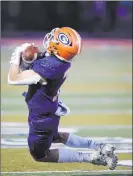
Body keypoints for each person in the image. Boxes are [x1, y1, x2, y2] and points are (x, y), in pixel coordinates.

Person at [8, 27, 118, 170]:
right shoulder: (60, 63)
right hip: (50, 111)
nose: (51, 39)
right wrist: (32, 57)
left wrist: (16, 57)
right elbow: (42, 62)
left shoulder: (49, 67)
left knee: (40, 155)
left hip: (41, 118)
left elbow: (13, 78)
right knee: (55, 136)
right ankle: (99, 146)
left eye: (55, 38)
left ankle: (92, 157)